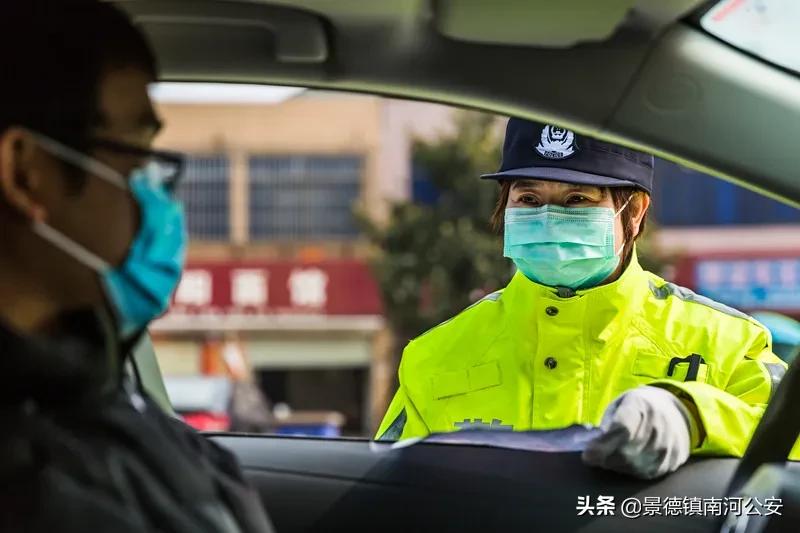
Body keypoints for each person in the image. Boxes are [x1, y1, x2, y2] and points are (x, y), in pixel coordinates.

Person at [376, 118, 792, 479]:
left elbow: (790, 442)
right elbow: (382, 492)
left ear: (634, 212)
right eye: (528, 199)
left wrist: (694, 417)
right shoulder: (435, 356)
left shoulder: (727, 344)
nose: (548, 216)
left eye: (577, 200)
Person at [0, 2, 272, 531]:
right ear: (25, 172)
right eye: (134, 160)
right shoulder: (28, 481)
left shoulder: (94, 391)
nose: (160, 205)